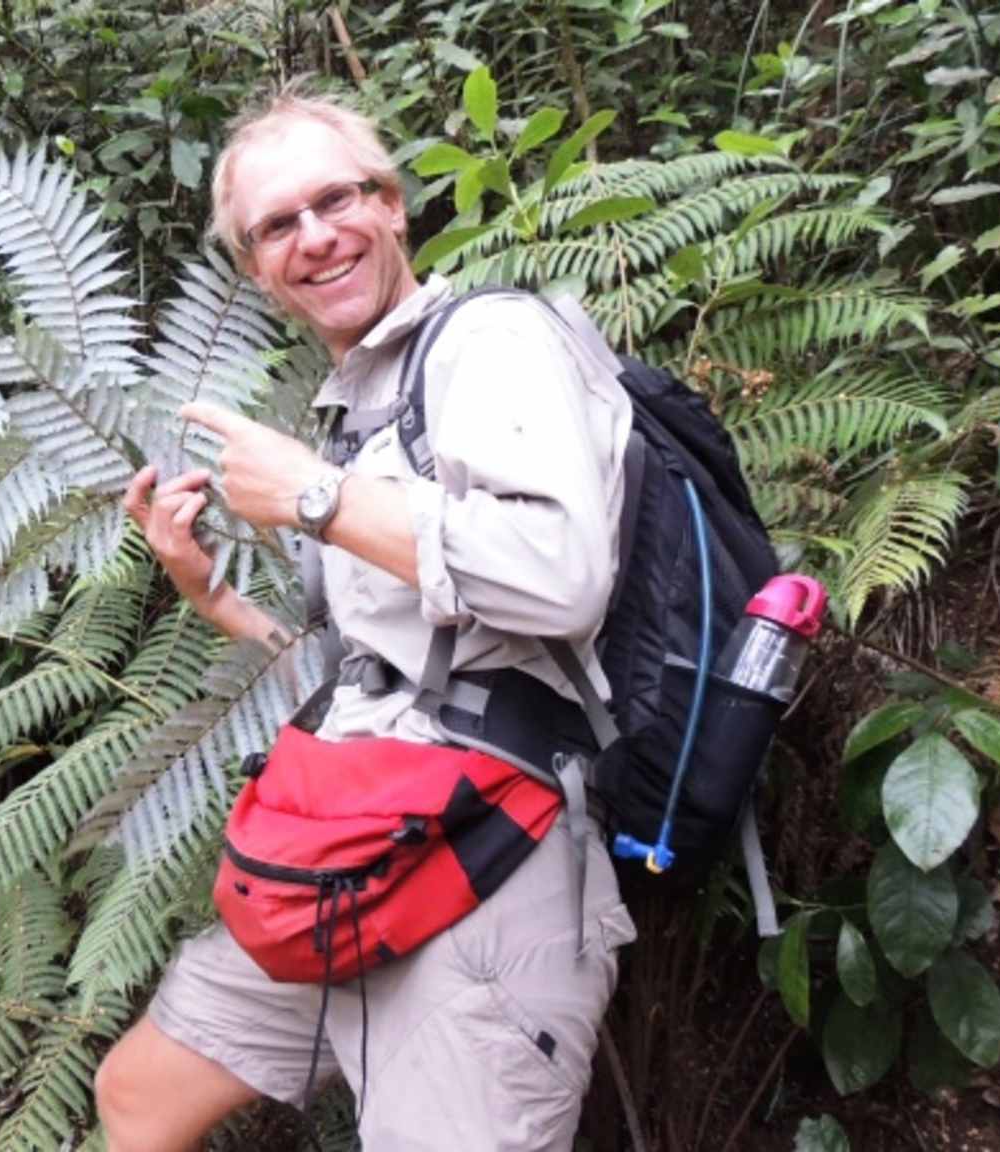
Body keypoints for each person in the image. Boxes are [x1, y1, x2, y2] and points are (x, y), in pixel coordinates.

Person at [101, 82, 637, 1152]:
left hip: (493, 856)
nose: (315, 237)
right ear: (257, 268)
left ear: (391, 204)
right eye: (277, 226)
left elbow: (564, 578)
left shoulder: (489, 344)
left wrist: (316, 499)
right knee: (140, 1095)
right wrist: (212, 595)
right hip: (368, 837)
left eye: (335, 200)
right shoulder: (360, 406)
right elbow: (382, 673)